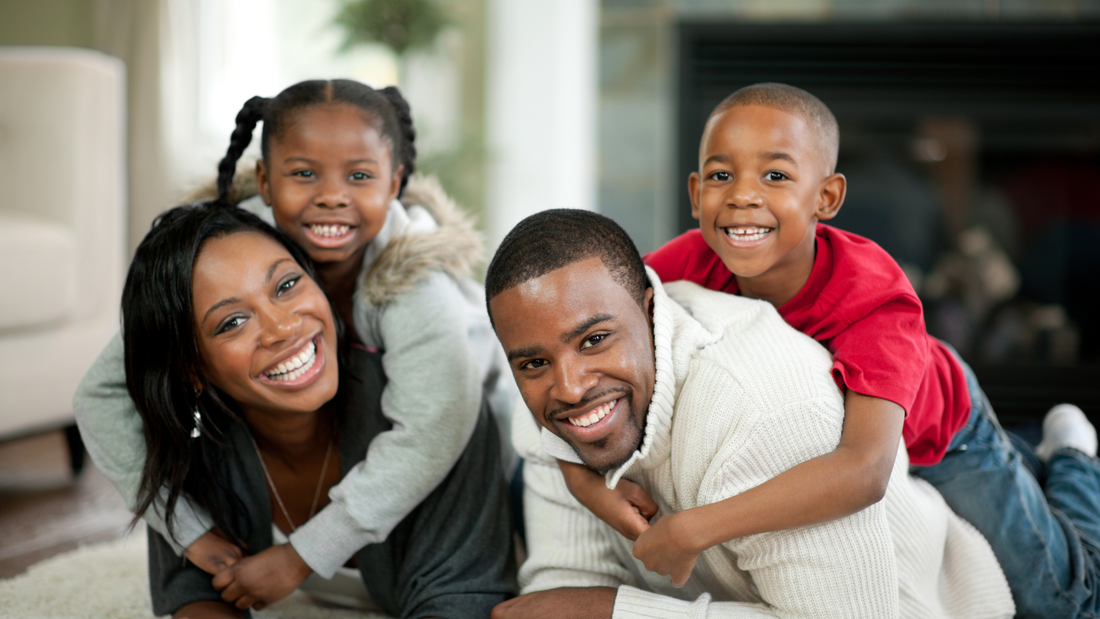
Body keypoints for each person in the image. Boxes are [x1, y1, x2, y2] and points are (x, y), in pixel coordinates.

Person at [562, 82, 1100, 618]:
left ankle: (1071, 455)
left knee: (1064, 602)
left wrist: (693, 528)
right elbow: (566, 339)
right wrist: (589, 487)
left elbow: (864, 472)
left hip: (945, 439)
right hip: (861, 433)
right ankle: (1034, 459)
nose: (743, 195)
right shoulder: (686, 262)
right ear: (696, 192)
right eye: (722, 176)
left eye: (775, 175)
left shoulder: (875, 299)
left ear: (827, 197)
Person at [74, 79, 517, 608]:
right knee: (182, 403)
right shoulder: (226, 252)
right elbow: (106, 391)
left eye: (359, 175)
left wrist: (305, 552)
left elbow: (438, 425)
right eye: (304, 173)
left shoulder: (413, 282)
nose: (331, 195)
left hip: (470, 434)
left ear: (395, 181)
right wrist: (187, 529)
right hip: (343, 417)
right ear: (263, 180)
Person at [485, 208, 1016, 618]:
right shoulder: (550, 409)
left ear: (649, 309)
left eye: (595, 340)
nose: (569, 387)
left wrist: (616, 610)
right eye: (533, 362)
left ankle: (1070, 456)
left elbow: (587, 608)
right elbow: (561, 594)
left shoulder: (763, 409)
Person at [115, 202, 516, 618]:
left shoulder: (430, 408)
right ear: (192, 370)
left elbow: (465, 598)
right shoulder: (191, 444)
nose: (283, 327)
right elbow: (195, 599)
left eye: (286, 285)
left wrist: (301, 556)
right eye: (232, 322)